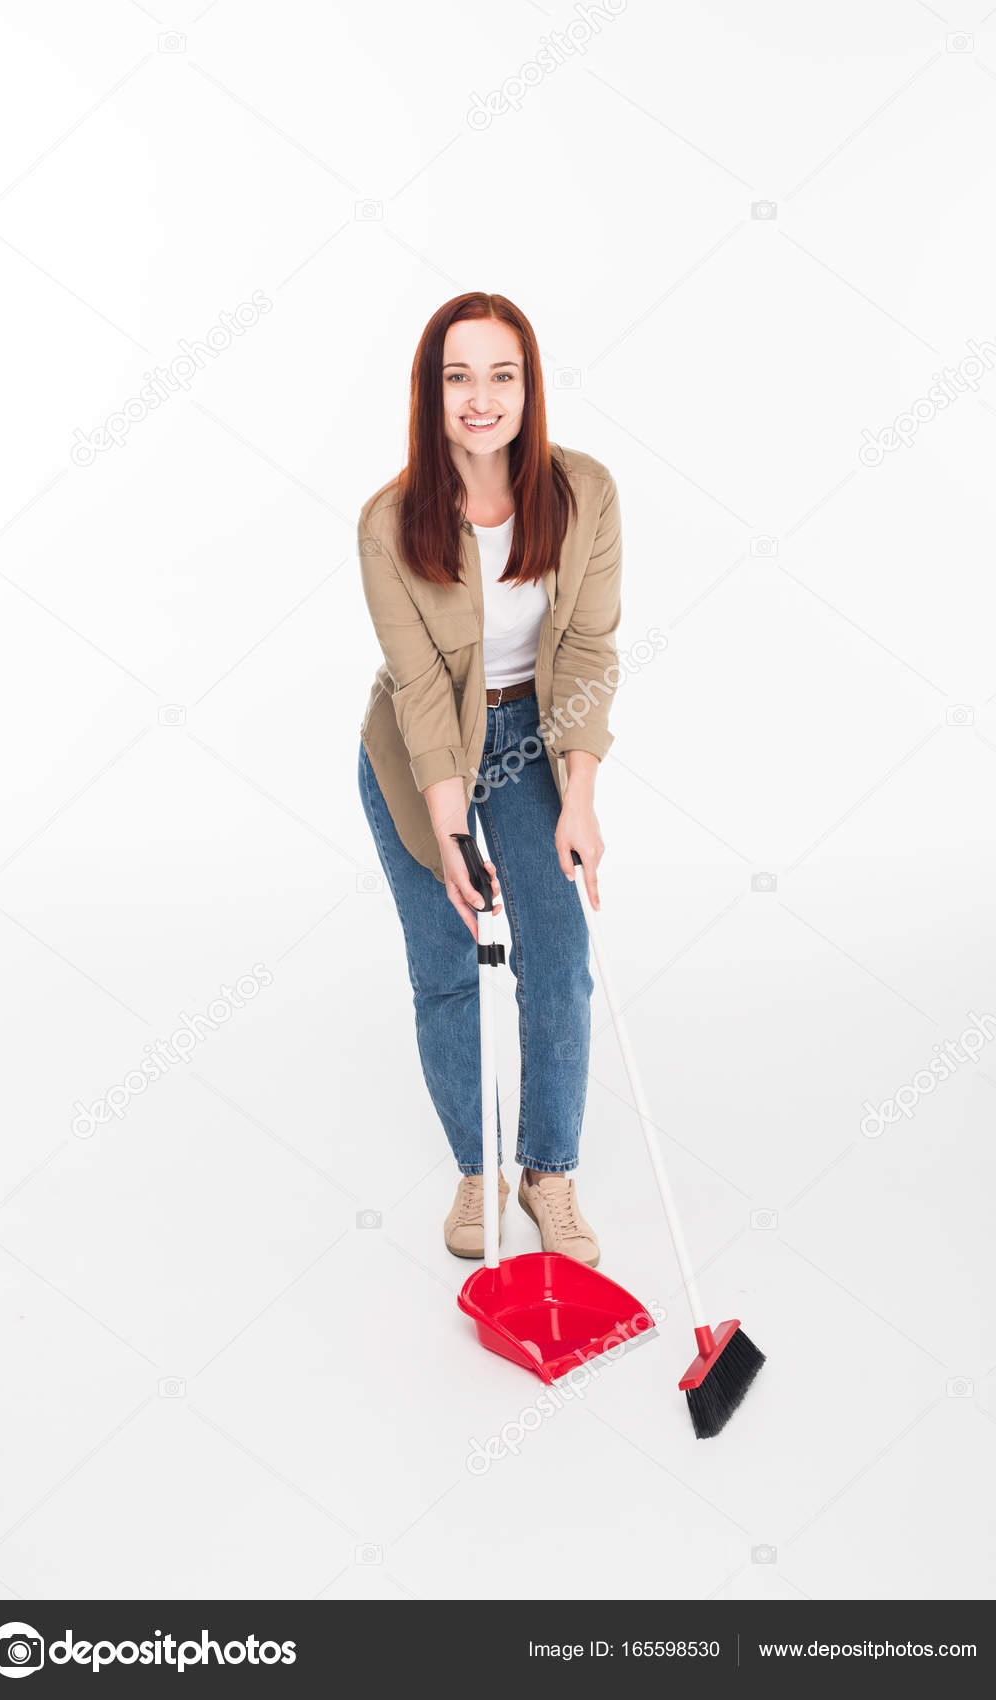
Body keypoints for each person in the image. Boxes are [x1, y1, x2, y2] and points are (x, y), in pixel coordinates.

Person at [357, 291, 623, 1266]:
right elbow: (422, 687)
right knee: (447, 968)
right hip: (415, 750)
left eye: (500, 374)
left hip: (533, 738)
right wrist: (448, 824)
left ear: (528, 385)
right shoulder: (389, 521)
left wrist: (580, 797)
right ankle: (478, 1165)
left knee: (555, 963)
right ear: (432, 394)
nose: (481, 397)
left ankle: (547, 1172)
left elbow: (589, 646)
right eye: (457, 375)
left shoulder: (584, 492)